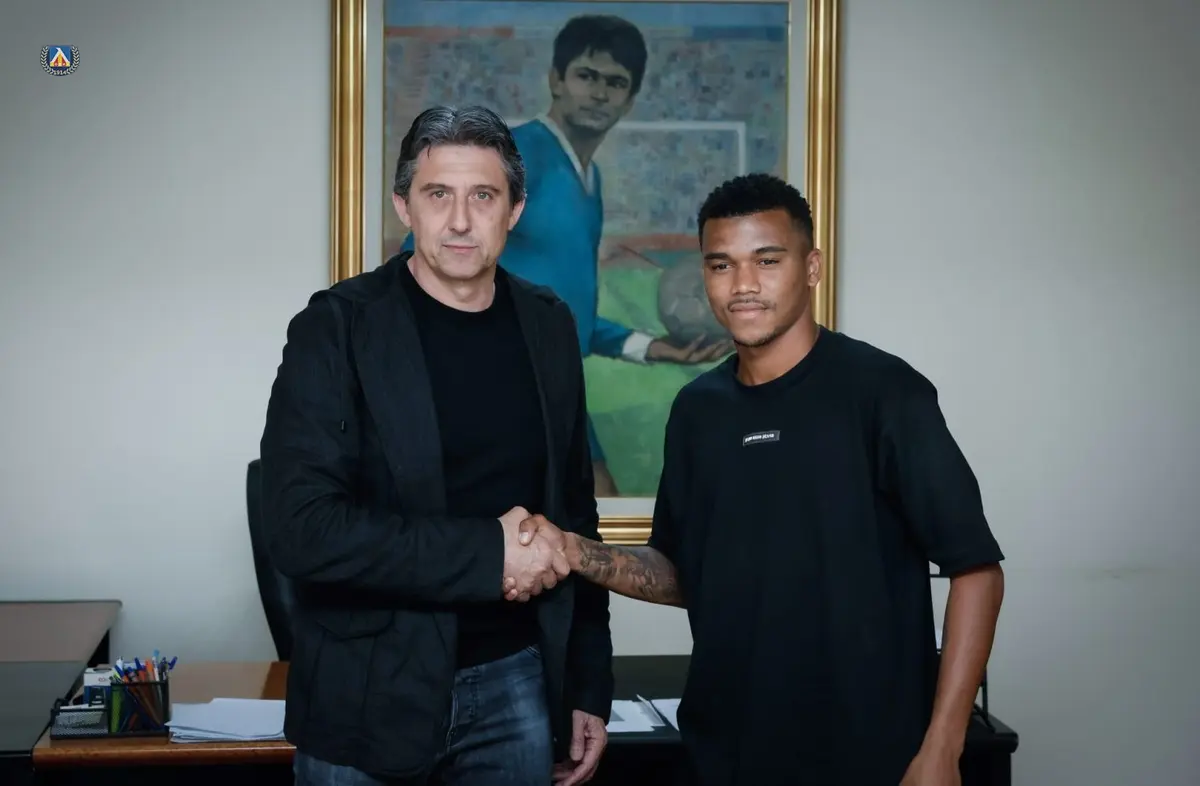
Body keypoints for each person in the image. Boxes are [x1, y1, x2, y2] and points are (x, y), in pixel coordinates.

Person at [508, 174, 1007, 784]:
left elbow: (977, 570)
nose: (743, 285)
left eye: (767, 261)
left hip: (872, 754)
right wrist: (572, 550)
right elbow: (682, 573)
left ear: (811, 267)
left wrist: (944, 747)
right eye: (721, 265)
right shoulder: (697, 410)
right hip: (726, 751)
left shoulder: (884, 392)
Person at [260, 105, 614, 786]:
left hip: (516, 682)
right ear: (404, 207)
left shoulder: (548, 324)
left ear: (514, 211)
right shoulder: (335, 327)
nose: (459, 221)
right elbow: (301, 531)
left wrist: (587, 682)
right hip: (366, 691)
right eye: (437, 195)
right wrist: (489, 552)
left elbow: (575, 513)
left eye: (482, 196)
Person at [401, 15, 729, 497]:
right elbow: (420, 256)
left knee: (593, 512)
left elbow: (566, 311)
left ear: (630, 99)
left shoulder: (591, 184)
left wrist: (650, 347)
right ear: (556, 80)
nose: (599, 92)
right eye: (586, 75)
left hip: (554, 386)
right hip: (497, 387)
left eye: (615, 82)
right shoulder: (515, 157)